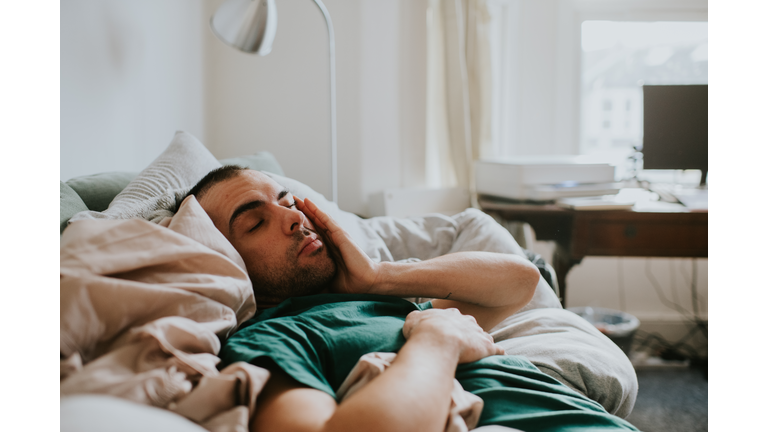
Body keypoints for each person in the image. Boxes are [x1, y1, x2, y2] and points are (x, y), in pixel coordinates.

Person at [187, 165, 638, 432]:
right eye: (254, 223)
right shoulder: (272, 340)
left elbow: (520, 282)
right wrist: (437, 341)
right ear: (226, 257)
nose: (291, 220)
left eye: (287, 202)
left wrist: (379, 277)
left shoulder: (382, 305)